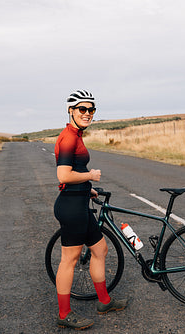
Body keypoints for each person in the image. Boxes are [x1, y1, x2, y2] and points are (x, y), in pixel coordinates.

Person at [53, 90, 128, 330]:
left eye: (91, 110)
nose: (87, 113)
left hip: (80, 201)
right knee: (70, 260)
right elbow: (63, 174)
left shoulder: (77, 134)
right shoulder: (68, 138)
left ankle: (104, 301)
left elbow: (71, 172)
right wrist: (90, 176)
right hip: (71, 208)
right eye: (82, 109)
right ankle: (64, 315)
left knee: (100, 249)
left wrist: (87, 188)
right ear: (71, 111)